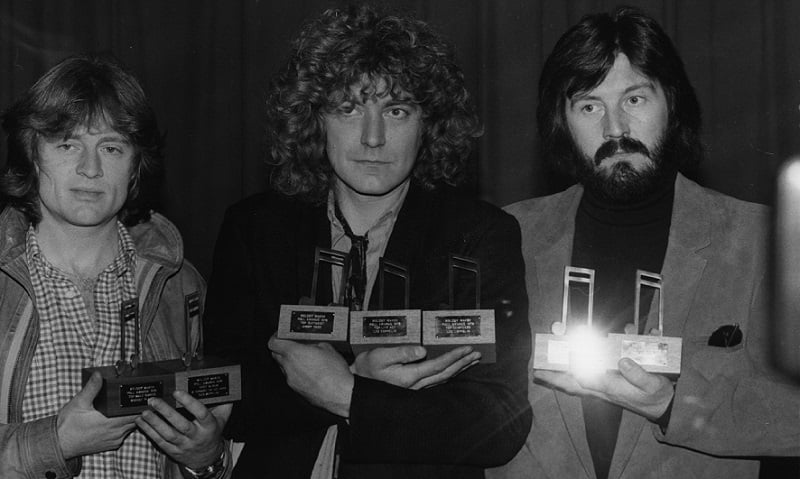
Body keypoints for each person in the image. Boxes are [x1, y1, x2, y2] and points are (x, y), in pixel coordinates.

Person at [203, 4, 532, 478]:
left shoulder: (479, 236)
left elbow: (500, 423)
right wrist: (353, 379)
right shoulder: (254, 227)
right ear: (315, 118)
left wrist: (350, 394)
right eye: (349, 108)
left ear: (428, 123)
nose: (373, 137)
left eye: (396, 111)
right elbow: (224, 392)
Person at [488, 6, 800, 479]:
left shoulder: (760, 239)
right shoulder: (509, 234)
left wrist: (671, 403)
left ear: (672, 103)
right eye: (589, 106)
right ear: (561, 122)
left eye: (634, 99)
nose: (615, 128)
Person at [0, 55, 232, 479]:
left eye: (111, 148)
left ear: (135, 165)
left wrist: (205, 458)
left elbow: (211, 452)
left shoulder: (180, 285)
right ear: (32, 155)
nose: (90, 169)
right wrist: (56, 442)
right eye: (67, 145)